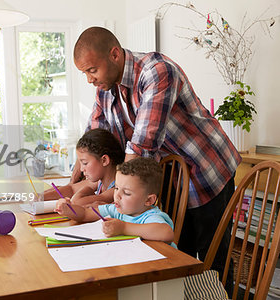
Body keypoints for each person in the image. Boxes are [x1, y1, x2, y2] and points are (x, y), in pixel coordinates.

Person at [72, 26, 240, 294]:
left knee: (212, 258)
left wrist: (112, 193)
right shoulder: (105, 90)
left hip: (207, 169)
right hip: (172, 177)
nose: (90, 80)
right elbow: (95, 136)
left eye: (92, 70)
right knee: (176, 255)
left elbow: (142, 144)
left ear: (114, 55)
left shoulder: (156, 71)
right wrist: (78, 175)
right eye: (85, 73)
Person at [55, 157, 175, 245]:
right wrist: (68, 209)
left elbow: (166, 233)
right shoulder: (116, 210)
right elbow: (85, 214)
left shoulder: (150, 216)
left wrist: (123, 228)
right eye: (116, 188)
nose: (117, 195)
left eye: (127, 193)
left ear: (149, 200)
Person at [41, 128, 124, 206]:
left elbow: (76, 202)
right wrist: (40, 197)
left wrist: (87, 190)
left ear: (104, 160)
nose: (81, 169)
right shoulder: (99, 182)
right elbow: (71, 189)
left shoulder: (117, 189)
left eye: (85, 163)